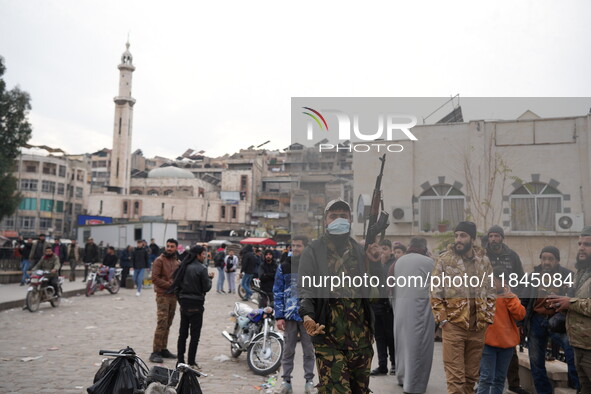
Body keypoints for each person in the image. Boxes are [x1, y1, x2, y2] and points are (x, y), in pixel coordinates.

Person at [298, 198, 382, 393]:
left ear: (351, 220)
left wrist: (376, 264)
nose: (338, 220)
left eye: (343, 216)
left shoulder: (361, 251)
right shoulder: (314, 251)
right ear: (325, 220)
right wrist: (307, 314)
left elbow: (376, 293)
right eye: (333, 216)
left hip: (361, 339)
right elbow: (306, 288)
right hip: (328, 339)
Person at [430, 221, 495, 394]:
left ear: (472, 239)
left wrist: (488, 317)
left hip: (477, 327)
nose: (458, 239)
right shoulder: (445, 260)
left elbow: (490, 290)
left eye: (463, 235)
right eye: (457, 235)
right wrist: (443, 320)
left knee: (470, 379)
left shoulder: (484, 261)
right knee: (455, 379)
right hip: (453, 326)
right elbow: (435, 292)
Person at [522, 246, 579, 392]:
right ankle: (544, 391)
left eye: (550, 259)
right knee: (536, 360)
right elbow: (524, 302)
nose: (546, 262)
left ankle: (576, 385)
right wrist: (520, 323)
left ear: (557, 260)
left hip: (558, 320)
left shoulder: (568, 276)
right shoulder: (532, 276)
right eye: (544, 258)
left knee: (570, 350)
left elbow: (573, 298)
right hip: (536, 320)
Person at [485, 225, 527, 394]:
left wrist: (516, 298)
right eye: (491, 236)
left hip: (509, 304)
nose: (494, 239)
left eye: (497, 236)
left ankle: (514, 384)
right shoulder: (483, 256)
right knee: (485, 347)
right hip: (488, 304)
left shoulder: (512, 256)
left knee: (510, 347)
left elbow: (521, 279)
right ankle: (483, 383)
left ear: (502, 238)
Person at [549, 226, 591, 394]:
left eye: (587, 244)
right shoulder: (581, 271)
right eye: (580, 243)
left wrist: (570, 303)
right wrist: (560, 303)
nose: (581, 247)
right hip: (578, 345)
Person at [392, 237, 435, 394]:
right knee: (419, 348)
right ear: (424, 248)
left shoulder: (399, 262)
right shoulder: (428, 263)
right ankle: (414, 386)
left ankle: (402, 378)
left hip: (401, 309)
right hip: (419, 310)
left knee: (403, 346)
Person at [274, 235, 315, 394]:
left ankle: (309, 381)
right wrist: (279, 316)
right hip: (289, 316)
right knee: (288, 350)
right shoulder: (284, 266)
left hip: (308, 317)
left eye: (299, 245)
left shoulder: (312, 267)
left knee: (309, 350)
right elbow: (277, 292)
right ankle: (286, 382)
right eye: (294, 245)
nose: (295, 248)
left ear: (305, 247)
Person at [477, 267, 526, 394]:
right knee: (486, 378)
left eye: (495, 281)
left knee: (499, 379)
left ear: (503, 282)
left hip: (507, 345)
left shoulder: (511, 297)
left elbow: (520, 315)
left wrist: (509, 298)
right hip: (488, 344)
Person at [170, 245, 214, 369]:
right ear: (198, 255)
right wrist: (209, 279)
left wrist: (181, 301)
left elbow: (176, 287)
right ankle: (191, 361)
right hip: (197, 304)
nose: (204, 256)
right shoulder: (202, 268)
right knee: (195, 335)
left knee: (182, 334)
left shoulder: (183, 267)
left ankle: (180, 361)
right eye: (203, 254)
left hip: (184, 304)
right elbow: (206, 287)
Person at [150, 238, 181, 363]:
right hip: (162, 295)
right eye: (167, 246)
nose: (169, 248)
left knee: (168, 323)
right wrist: (170, 285)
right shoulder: (159, 260)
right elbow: (155, 278)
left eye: (172, 246)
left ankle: (163, 348)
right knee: (162, 323)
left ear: (176, 248)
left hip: (173, 296)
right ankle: (155, 351)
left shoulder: (177, 262)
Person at [370, 238, 396, 376]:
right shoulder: (375, 265)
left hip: (389, 307)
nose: (382, 252)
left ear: (390, 251)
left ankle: (394, 364)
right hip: (376, 306)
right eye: (380, 249)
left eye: (385, 249)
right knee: (379, 337)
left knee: (391, 337)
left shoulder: (394, 265)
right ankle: (382, 365)